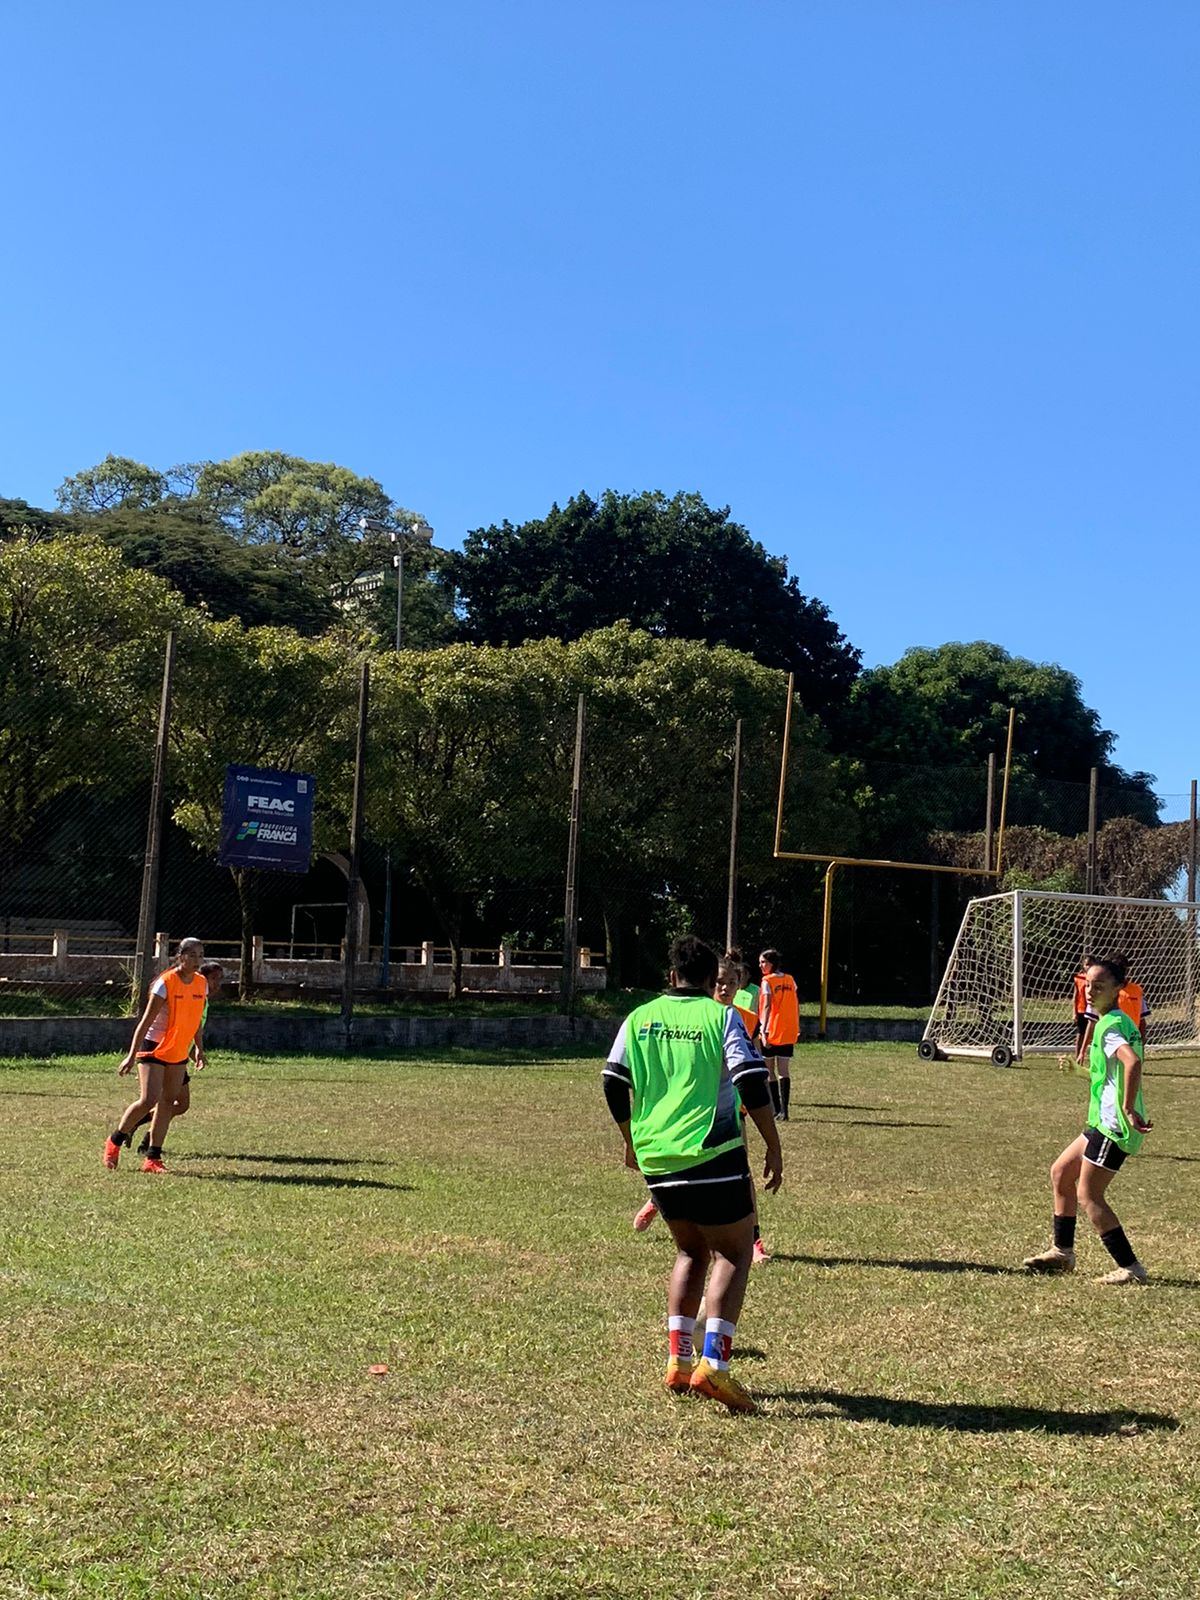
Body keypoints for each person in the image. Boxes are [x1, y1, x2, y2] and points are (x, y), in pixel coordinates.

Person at [605, 935, 782, 1412]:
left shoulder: (639, 1019)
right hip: (713, 1152)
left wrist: (630, 1138)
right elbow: (750, 1077)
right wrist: (772, 1141)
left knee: (689, 1251)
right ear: (710, 981)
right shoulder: (719, 1016)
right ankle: (715, 1368)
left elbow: (612, 1080)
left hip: (659, 1158)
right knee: (733, 1252)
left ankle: (679, 1362)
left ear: (671, 977)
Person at [631, 956, 772, 1266]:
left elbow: (754, 1063)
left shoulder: (745, 1018)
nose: (724, 988)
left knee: (742, 1173)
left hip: (731, 1110)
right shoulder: (697, 1018)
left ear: (739, 986)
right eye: (719, 982)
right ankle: (658, 1201)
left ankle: (754, 1241)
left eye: (731, 983)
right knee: (686, 1161)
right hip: (689, 1110)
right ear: (709, 983)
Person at [1023, 952, 1153, 1285]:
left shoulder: (1110, 1025)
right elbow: (1107, 1074)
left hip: (1113, 1126)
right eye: (1089, 985)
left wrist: (1126, 1107)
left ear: (1118, 989)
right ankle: (1062, 1253)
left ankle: (1131, 1268)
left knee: (1089, 1196)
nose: (1091, 991)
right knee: (1061, 1172)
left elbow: (1132, 1063)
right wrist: (1081, 1070)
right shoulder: (1117, 1020)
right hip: (1100, 1122)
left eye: (1100, 985)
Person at [103, 938, 209, 1175]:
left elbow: (196, 1021)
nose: (197, 960)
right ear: (180, 956)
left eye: (200, 955)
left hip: (179, 1049)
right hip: (154, 1046)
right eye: (191, 955)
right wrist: (131, 1056)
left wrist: (199, 1049)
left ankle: (153, 1159)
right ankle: (114, 1141)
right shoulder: (165, 983)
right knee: (149, 1099)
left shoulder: (202, 984)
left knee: (167, 1103)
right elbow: (145, 1023)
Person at [132, 960, 224, 1154]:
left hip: (179, 1053)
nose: (217, 984)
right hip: (165, 1051)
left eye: (220, 979)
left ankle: (146, 1135)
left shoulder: (202, 999)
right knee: (164, 1101)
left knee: (180, 1104)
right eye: (214, 979)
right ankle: (143, 1135)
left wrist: (197, 1051)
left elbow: (192, 1029)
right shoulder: (182, 990)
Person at [757, 948, 800, 1120]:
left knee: (769, 1070)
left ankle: (776, 1109)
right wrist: (797, 1025)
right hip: (788, 1030)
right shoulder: (790, 979)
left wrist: (763, 1028)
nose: (760, 965)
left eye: (763, 962)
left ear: (772, 963)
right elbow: (795, 1002)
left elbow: (767, 1005)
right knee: (784, 1070)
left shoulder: (767, 981)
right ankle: (785, 1111)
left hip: (772, 1030)